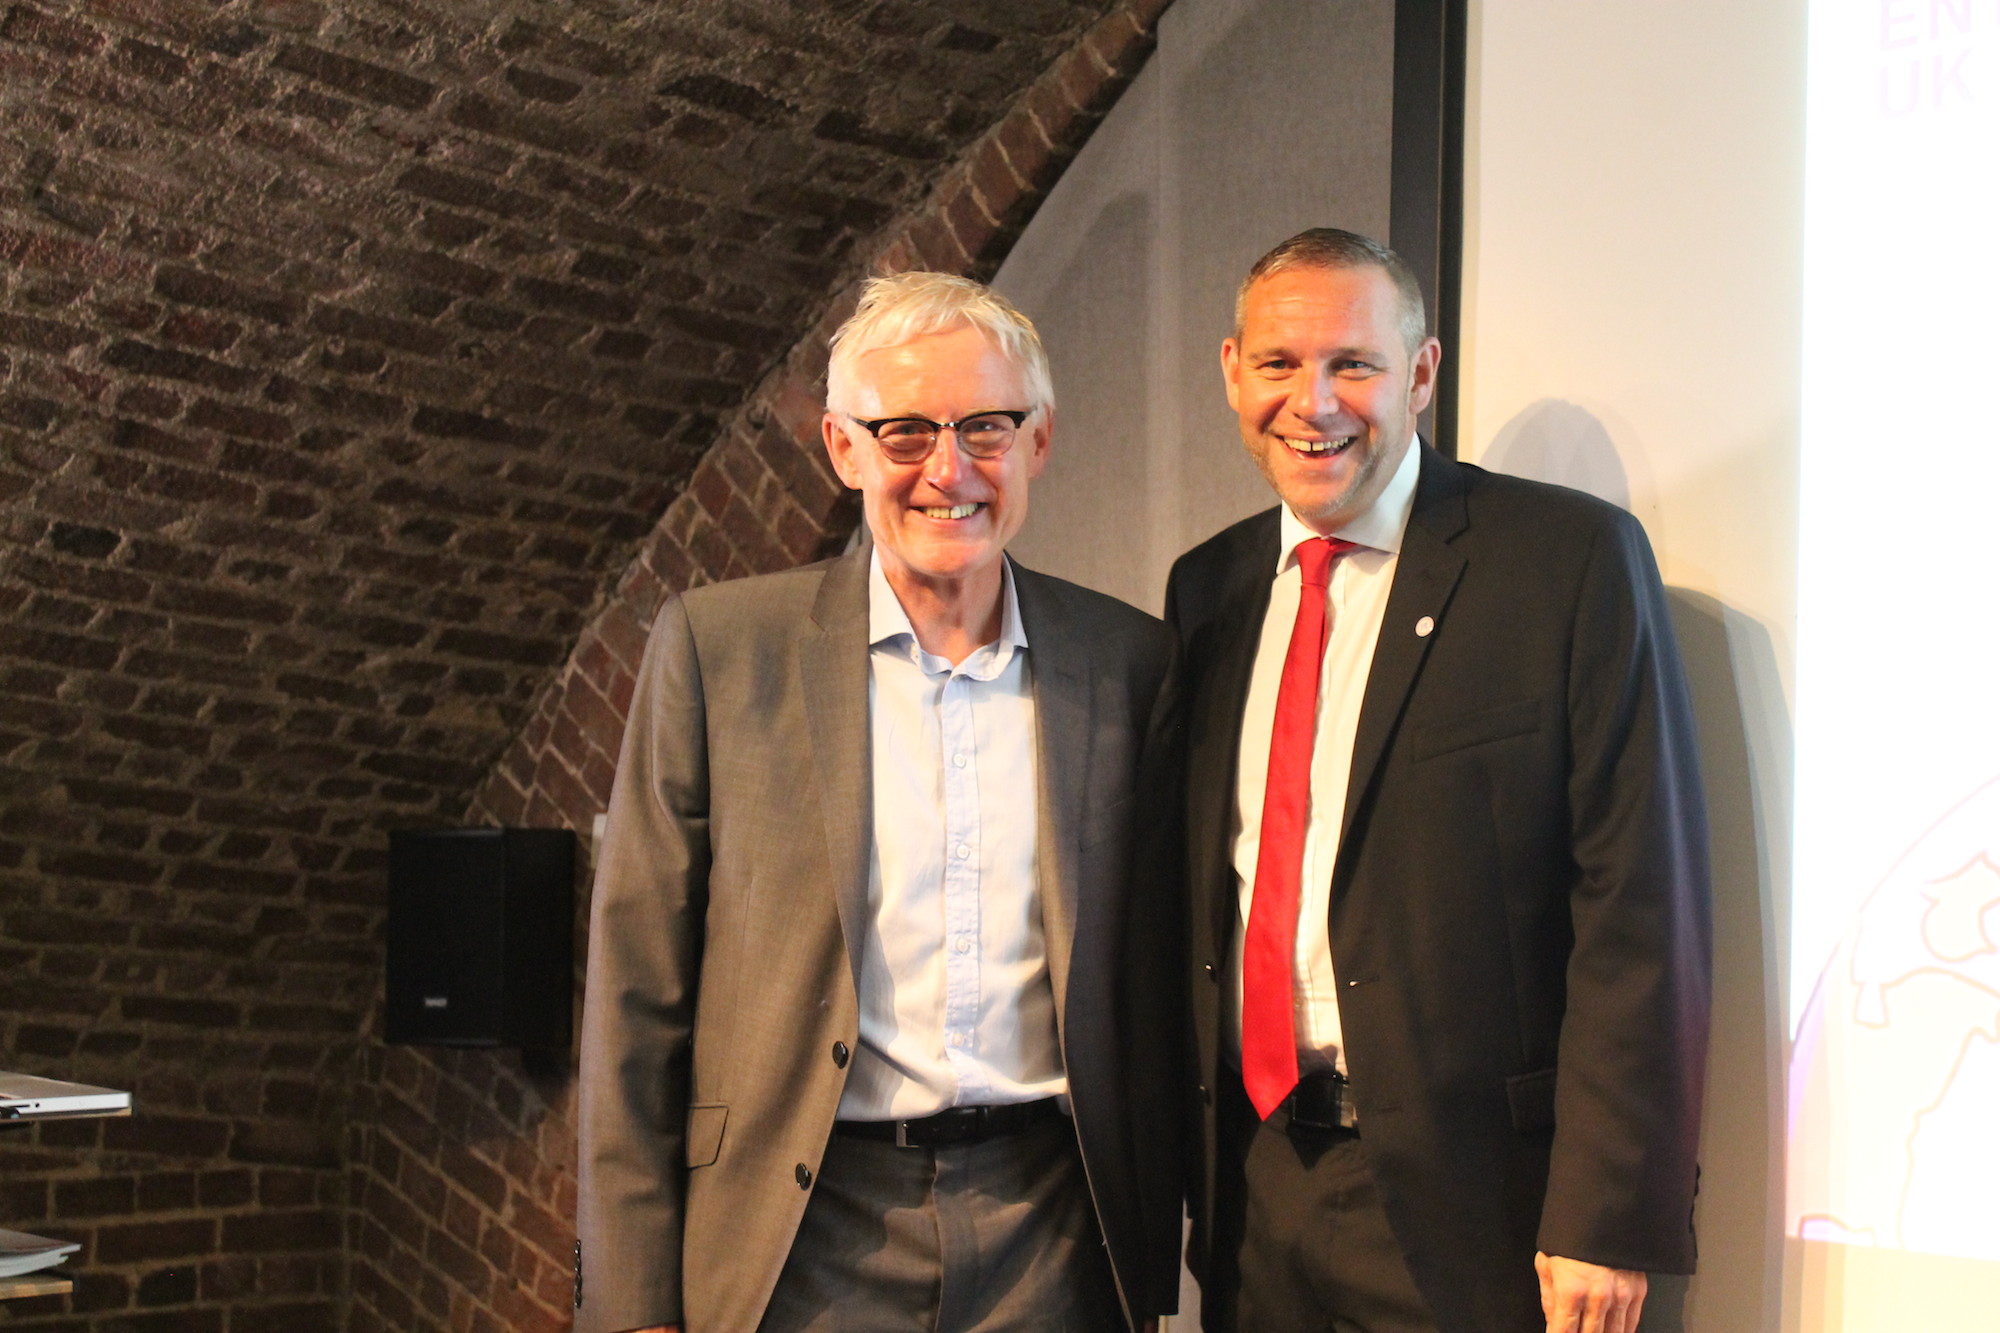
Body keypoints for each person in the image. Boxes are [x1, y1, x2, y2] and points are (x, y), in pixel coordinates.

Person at [574, 271, 1180, 1333]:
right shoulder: (722, 651)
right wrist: (631, 1303)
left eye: (985, 427)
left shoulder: (1128, 661)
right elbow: (634, 994)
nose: (948, 470)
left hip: (1054, 1228)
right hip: (805, 1229)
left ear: (1037, 441)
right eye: (903, 432)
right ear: (842, 447)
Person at [1165, 229, 1711, 1333]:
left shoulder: (1564, 561)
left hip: (1476, 1212)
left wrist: (1604, 1213)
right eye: (1277, 364)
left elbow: (1637, 904)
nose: (1311, 401)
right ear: (1231, 373)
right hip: (1255, 1186)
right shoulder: (1207, 585)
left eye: (1351, 365)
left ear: (1419, 375)